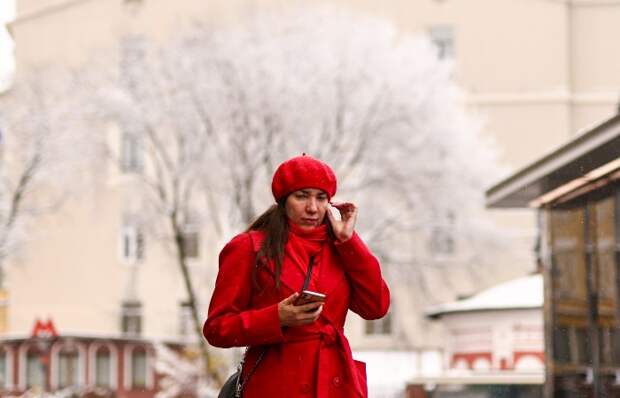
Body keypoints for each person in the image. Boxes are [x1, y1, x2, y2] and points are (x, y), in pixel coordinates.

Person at [203, 154, 390, 398]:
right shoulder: (248, 248)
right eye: (302, 196)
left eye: (321, 197)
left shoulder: (341, 249)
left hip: (336, 385)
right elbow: (217, 329)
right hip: (276, 385)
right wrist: (275, 317)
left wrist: (349, 241)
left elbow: (375, 307)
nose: (313, 207)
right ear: (284, 201)